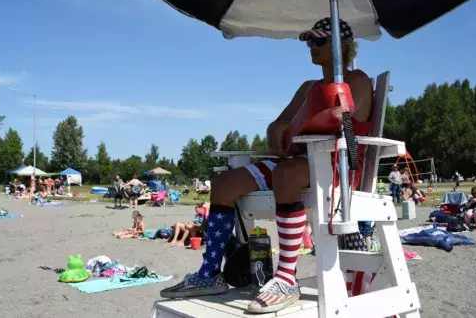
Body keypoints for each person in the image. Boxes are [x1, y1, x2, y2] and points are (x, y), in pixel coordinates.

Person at [160, 17, 374, 313]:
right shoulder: (309, 87)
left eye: (320, 41)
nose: (312, 47)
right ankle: (209, 274)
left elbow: (347, 118)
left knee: (285, 174)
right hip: (299, 160)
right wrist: (277, 130)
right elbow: (280, 122)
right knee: (223, 184)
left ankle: (286, 277)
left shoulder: (357, 80)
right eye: (310, 41)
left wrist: (325, 114)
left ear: (343, 47)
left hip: (335, 165)